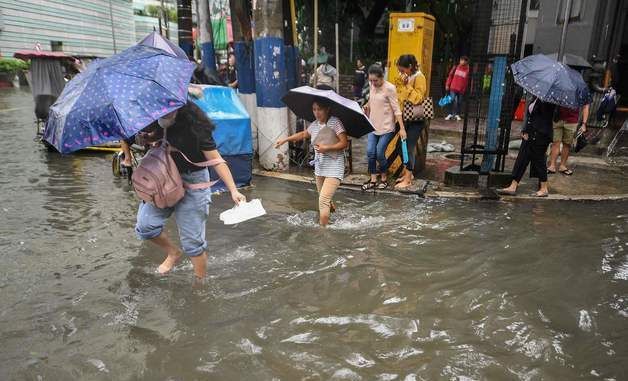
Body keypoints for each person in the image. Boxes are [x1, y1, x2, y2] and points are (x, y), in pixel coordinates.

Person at [135, 101, 247, 278]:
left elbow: (216, 160)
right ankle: (173, 252)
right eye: (161, 113)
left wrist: (233, 190)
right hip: (163, 180)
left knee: (192, 243)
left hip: (193, 182)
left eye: (168, 113)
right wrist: (148, 138)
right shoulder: (151, 119)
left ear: (178, 108)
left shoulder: (196, 126)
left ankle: (200, 285)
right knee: (145, 226)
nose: (163, 116)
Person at [275, 98, 348, 226]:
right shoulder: (314, 125)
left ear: (327, 109)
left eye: (319, 109)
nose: (316, 112)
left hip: (335, 166)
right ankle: (336, 218)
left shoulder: (335, 122)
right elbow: (303, 134)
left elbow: (344, 143)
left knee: (323, 200)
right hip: (320, 166)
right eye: (314, 109)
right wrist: (285, 140)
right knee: (325, 199)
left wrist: (327, 148)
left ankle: (322, 230)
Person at [498, 97, 556, 197]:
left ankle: (544, 188)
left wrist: (533, 132)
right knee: (522, 158)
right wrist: (526, 130)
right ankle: (513, 185)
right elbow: (530, 116)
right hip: (530, 133)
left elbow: (544, 118)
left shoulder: (549, 100)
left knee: (539, 160)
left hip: (540, 134)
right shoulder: (536, 98)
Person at [362, 64, 405, 190]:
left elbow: (397, 110)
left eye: (375, 80)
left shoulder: (390, 88)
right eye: (371, 80)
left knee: (380, 152)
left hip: (386, 127)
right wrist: (366, 106)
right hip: (373, 125)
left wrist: (402, 128)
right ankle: (374, 178)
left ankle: (384, 178)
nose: (373, 83)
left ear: (382, 77)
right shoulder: (372, 85)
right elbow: (371, 100)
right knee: (370, 152)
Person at [393, 54, 427, 190]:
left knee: (408, 147)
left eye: (402, 70)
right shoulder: (406, 78)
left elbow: (418, 98)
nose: (401, 73)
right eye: (399, 70)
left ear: (410, 67)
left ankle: (407, 180)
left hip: (416, 119)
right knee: (399, 147)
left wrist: (407, 86)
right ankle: (409, 174)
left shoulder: (419, 77)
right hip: (406, 118)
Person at [547, 104, 589, 175]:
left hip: (571, 120)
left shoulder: (580, 92)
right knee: (555, 143)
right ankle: (552, 165)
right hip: (557, 118)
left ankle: (562, 166)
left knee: (567, 144)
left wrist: (584, 123)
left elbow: (586, 106)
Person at [445, 56, 470, 121]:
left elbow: (467, 81)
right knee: (451, 99)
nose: (461, 61)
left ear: (466, 62)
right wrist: (447, 84)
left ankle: (457, 114)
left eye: (463, 60)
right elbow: (450, 76)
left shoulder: (467, 70)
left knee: (459, 102)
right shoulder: (455, 67)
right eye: (461, 60)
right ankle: (450, 114)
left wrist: (465, 89)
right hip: (453, 87)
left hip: (461, 89)